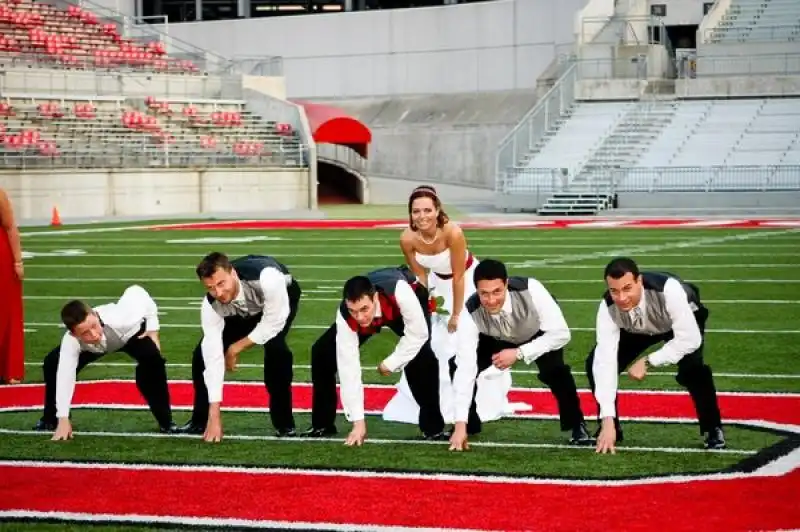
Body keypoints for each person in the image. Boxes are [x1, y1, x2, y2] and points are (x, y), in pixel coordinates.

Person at [383, 185, 518, 426]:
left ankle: (471, 407)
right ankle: (436, 405)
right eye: (416, 211)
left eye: (427, 210)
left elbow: (458, 276)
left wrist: (456, 313)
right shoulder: (406, 238)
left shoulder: (452, 233)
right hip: (437, 283)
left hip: (466, 281)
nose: (422, 216)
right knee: (435, 340)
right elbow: (420, 276)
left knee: (463, 339)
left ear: (437, 211)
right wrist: (423, 305)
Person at [449, 259, 592, 452]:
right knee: (456, 365)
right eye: (484, 293)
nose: (491, 300)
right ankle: (469, 423)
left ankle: (577, 425)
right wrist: (460, 424)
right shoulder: (470, 311)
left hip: (537, 332)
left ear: (506, 284)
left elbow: (561, 334)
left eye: (497, 291)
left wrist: (519, 352)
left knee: (556, 372)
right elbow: (465, 367)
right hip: (496, 335)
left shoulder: (531, 289)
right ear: (476, 290)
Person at [587, 257, 725, 454]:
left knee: (693, 371)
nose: (622, 297)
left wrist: (649, 360)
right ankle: (612, 428)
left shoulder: (669, 291)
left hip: (680, 322)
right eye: (614, 290)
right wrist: (606, 417)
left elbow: (689, 339)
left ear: (639, 281)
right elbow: (605, 360)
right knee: (594, 363)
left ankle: (713, 428)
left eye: (627, 288)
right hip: (638, 325)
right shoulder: (608, 307)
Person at [303, 266, 447, 445]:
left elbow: (418, 335)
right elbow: (349, 368)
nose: (360, 317)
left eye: (364, 309)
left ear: (375, 298)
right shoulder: (346, 315)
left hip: (409, 302)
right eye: (353, 311)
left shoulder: (401, 292)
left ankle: (433, 428)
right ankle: (322, 423)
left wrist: (392, 362)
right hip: (384, 303)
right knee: (322, 353)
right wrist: (358, 422)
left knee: (422, 358)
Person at [178, 252, 301, 443]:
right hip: (241, 309)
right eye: (210, 288)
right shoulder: (211, 305)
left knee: (277, 351)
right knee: (201, 357)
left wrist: (236, 348)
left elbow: (273, 322)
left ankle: (285, 425)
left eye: (221, 283)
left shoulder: (267, 278)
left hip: (278, 303)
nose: (218, 293)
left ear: (233, 273)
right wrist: (215, 413)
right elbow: (213, 357)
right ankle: (200, 421)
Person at [32, 286, 177, 439]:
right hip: (93, 348)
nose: (93, 334)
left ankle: (166, 422)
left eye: (93, 326)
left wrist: (153, 328)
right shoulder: (71, 341)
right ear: (73, 333)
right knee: (52, 364)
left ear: (95, 314)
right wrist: (63, 417)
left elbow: (137, 291)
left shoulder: (122, 318)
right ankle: (52, 419)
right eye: (85, 333)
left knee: (154, 361)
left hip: (130, 336)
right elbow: (65, 376)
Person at [0, 187, 24, 385]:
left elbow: (10, 227)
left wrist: (18, 261)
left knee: (7, 312)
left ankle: (9, 370)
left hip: (2, 259)